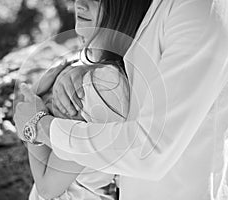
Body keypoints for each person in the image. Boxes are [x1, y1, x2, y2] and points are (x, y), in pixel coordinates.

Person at [14, 0, 228, 199]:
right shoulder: (157, 9)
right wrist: (84, 67)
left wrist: (37, 126)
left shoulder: (203, 9)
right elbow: (134, 59)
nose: (78, 5)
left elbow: (151, 149)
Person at [14, 0, 151, 199]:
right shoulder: (86, 72)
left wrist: (33, 123)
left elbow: (47, 187)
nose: (80, 4)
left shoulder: (104, 83)